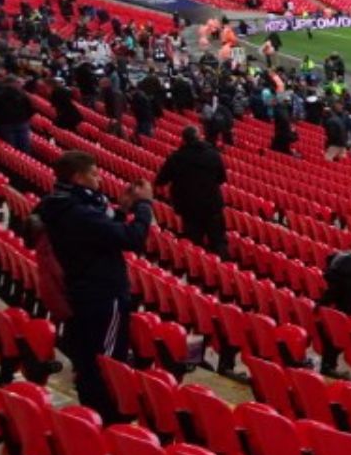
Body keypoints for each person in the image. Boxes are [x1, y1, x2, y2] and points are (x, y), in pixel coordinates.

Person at [37, 152, 153, 416]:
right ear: (78, 178)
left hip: (82, 289)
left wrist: (122, 210)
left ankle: (92, 413)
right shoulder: (78, 213)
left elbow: (103, 236)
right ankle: (108, 416)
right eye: (93, 173)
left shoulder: (60, 204)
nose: (99, 178)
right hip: (102, 295)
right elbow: (132, 238)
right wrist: (144, 206)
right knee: (107, 361)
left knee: (89, 358)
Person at [154, 127, 227, 255]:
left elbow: (160, 180)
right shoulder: (213, 154)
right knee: (218, 243)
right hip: (211, 205)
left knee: (193, 245)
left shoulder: (176, 158)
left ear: (183, 140)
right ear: (200, 137)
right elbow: (221, 178)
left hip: (188, 207)